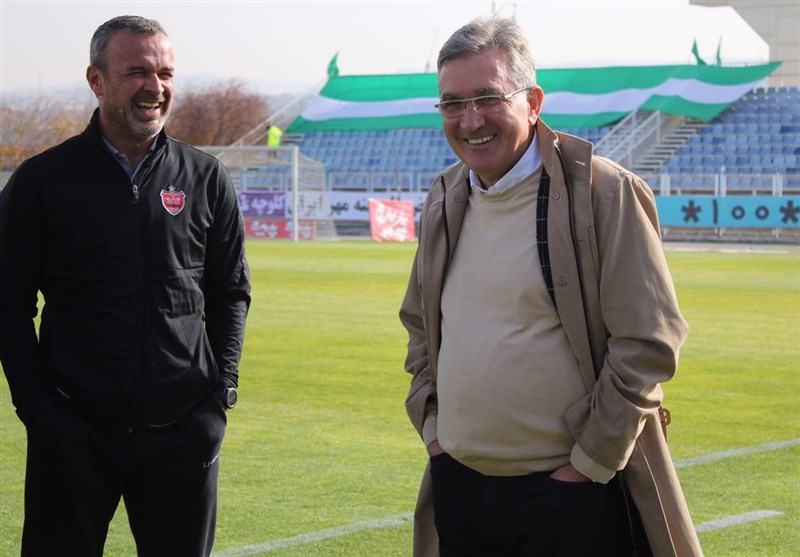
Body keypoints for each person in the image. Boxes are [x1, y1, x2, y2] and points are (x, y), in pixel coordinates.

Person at [399, 17, 703, 557]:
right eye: (452, 103)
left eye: (488, 98)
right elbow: (421, 325)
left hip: (570, 494)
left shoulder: (603, 192)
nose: (471, 120)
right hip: (459, 485)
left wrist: (586, 466)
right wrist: (435, 433)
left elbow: (648, 343)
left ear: (533, 102)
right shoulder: (444, 196)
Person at [0, 15, 250, 556]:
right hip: (73, 430)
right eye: (137, 72)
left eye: (165, 73)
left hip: (183, 431)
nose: (154, 87)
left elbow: (230, 292)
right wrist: (38, 409)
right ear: (96, 79)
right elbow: (8, 302)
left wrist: (221, 392)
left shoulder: (205, 177)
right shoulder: (43, 181)